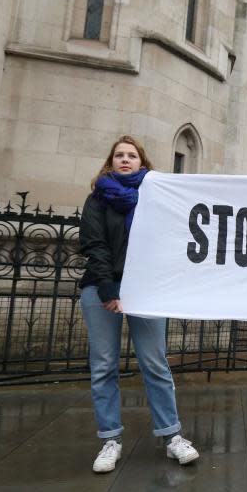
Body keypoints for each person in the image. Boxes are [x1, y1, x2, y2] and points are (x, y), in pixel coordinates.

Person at [79, 135, 199, 473]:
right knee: (104, 365)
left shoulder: (153, 198)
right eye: (119, 155)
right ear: (111, 161)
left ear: (142, 162)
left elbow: (167, 241)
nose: (125, 160)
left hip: (146, 290)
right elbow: (94, 243)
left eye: (132, 155)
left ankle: (172, 436)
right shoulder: (97, 199)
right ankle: (110, 439)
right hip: (102, 289)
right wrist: (108, 289)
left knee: (155, 364)